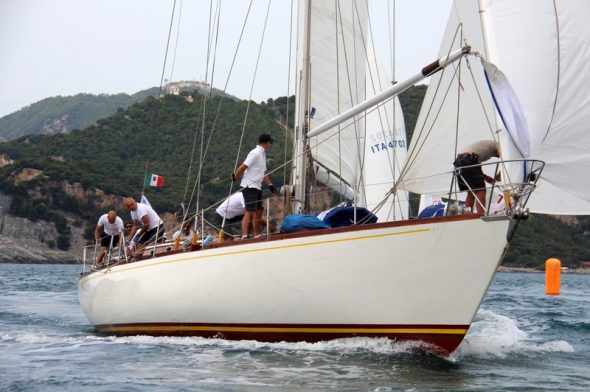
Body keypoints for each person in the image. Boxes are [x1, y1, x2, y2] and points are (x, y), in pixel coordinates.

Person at [231, 133, 278, 238]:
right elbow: (243, 166)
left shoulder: (262, 154)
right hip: (249, 185)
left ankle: (257, 235)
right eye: (270, 142)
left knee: (258, 211)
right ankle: (244, 235)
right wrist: (235, 177)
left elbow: (263, 172)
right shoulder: (255, 153)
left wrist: (270, 185)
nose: (271, 145)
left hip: (257, 186)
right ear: (266, 143)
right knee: (250, 211)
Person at [454, 140, 501, 215]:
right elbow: (505, 158)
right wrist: (501, 173)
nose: (498, 157)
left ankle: (466, 214)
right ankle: (480, 215)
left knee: (471, 191)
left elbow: (476, 168)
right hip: (468, 159)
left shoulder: (487, 147)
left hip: (459, 161)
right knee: (480, 190)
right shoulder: (499, 145)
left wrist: (485, 177)